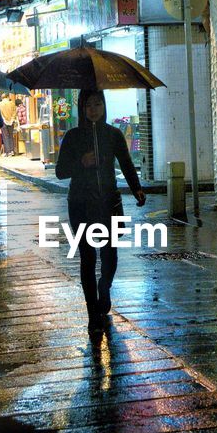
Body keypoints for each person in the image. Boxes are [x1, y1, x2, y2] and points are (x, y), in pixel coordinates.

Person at [55, 88, 146, 332]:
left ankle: (104, 287)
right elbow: (60, 171)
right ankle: (92, 312)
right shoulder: (73, 136)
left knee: (110, 253)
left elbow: (126, 163)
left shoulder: (113, 135)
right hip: (81, 203)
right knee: (87, 256)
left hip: (109, 202)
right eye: (88, 106)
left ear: (104, 106)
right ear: (82, 109)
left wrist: (136, 188)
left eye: (97, 104)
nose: (93, 109)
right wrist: (81, 163)